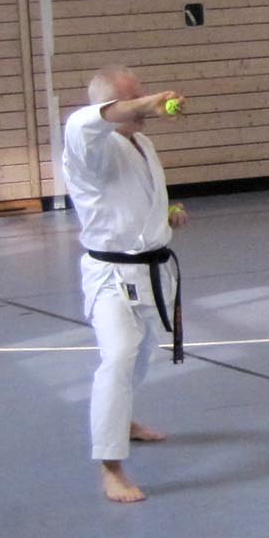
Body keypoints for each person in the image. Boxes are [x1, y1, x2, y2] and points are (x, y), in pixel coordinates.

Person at [63, 66, 190, 504]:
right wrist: (147, 103)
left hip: (149, 269)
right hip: (111, 277)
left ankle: (124, 421)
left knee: (141, 354)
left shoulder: (141, 143)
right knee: (118, 357)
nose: (143, 108)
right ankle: (110, 466)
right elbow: (92, 121)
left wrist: (164, 215)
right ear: (108, 107)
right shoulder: (87, 144)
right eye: (131, 100)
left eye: (142, 97)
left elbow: (128, 200)